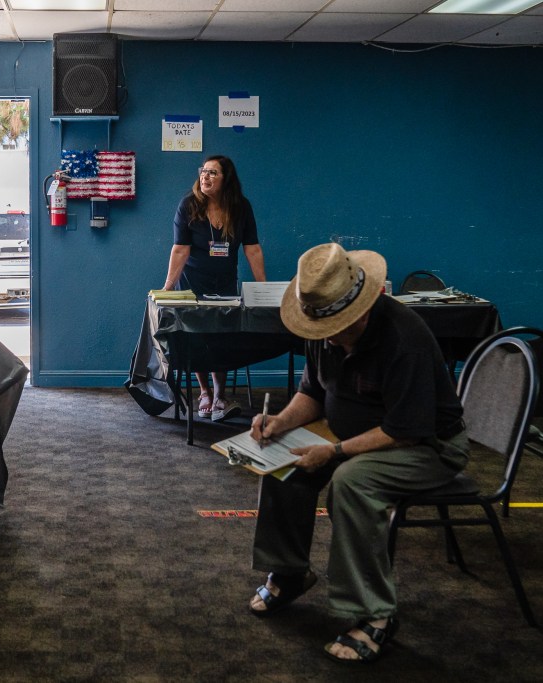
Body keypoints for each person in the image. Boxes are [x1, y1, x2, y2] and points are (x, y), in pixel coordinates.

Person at [246, 242, 468, 664]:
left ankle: (374, 614)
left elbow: (405, 432)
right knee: (281, 462)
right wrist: (279, 423)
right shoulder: (322, 325)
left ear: (362, 310)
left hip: (428, 446)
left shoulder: (405, 338)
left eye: (338, 327)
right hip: (354, 436)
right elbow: (312, 393)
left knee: (352, 483)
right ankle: (289, 573)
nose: (328, 337)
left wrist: (334, 451)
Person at [161, 155, 266, 422]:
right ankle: (205, 393)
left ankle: (220, 395)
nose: (205, 176)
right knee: (197, 337)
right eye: (203, 171)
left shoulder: (241, 207)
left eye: (212, 173)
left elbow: (252, 248)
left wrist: (263, 288)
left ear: (226, 179)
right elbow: (180, 249)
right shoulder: (189, 205)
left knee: (222, 337)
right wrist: (168, 288)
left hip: (225, 283)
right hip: (193, 283)